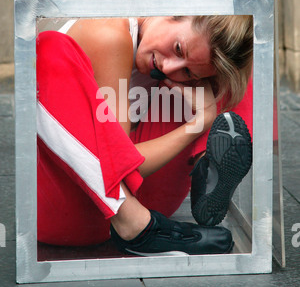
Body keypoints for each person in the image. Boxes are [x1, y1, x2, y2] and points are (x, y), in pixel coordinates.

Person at [36, 15, 253, 256]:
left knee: (232, 67)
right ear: (173, 11)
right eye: (178, 49)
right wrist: (200, 122)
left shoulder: (165, 55)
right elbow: (120, 171)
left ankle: (207, 167)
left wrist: (204, 110)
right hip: (73, 209)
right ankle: (139, 222)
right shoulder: (109, 35)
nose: (168, 68)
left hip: (146, 209)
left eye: (188, 72)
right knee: (51, 47)